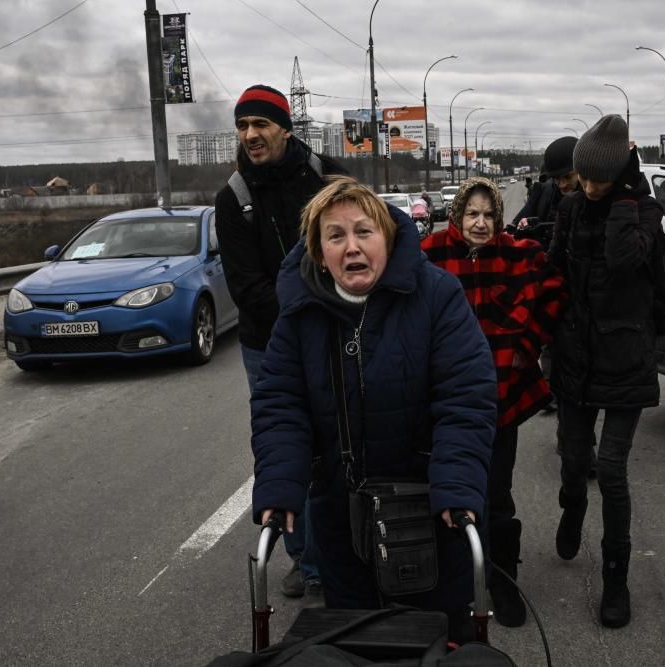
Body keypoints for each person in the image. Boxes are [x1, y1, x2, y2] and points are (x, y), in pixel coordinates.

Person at [250, 176, 497, 641]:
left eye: (364, 232)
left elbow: (465, 396)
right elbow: (281, 404)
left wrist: (459, 484)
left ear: (387, 237)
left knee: (437, 636)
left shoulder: (436, 296)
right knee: (357, 638)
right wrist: (281, 485)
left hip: (431, 512)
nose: (351, 247)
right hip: (341, 516)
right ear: (318, 250)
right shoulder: (300, 313)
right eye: (335, 236)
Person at [214, 83, 344, 600]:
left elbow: (361, 237)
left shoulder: (327, 177)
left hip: (337, 328)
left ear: (285, 129)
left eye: (260, 125)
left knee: (340, 438)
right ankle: (306, 560)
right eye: (243, 126)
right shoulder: (233, 199)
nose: (251, 135)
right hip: (268, 343)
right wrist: (303, 315)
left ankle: (351, 543)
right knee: (286, 445)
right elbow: (246, 287)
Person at [421, 177, 564, 627]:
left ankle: (502, 579)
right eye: (472, 214)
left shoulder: (518, 253)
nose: (480, 223)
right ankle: (452, 580)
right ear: (458, 215)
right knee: (448, 489)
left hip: (501, 397)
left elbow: (553, 289)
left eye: (488, 215)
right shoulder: (431, 254)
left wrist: (530, 341)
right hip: (446, 400)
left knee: (498, 495)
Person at [547, 115, 664, 629]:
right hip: (575, 358)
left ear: (618, 174)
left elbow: (621, 262)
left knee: (612, 472)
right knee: (575, 460)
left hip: (625, 359)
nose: (588, 187)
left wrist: (623, 196)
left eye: (599, 179)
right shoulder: (571, 207)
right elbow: (553, 271)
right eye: (584, 178)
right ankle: (571, 505)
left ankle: (616, 580)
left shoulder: (642, 209)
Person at [511, 136, 579, 229]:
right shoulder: (543, 193)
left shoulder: (597, 195)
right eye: (556, 178)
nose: (562, 185)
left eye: (568, 177)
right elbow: (513, 228)